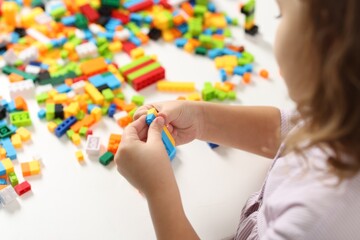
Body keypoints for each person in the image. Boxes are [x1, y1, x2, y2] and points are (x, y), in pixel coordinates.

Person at [114, 0, 360, 239]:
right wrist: (201, 120)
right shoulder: (344, 115)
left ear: (328, 48)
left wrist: (158, 192)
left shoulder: (313, 222)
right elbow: (287, 131)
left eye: (281, 16)